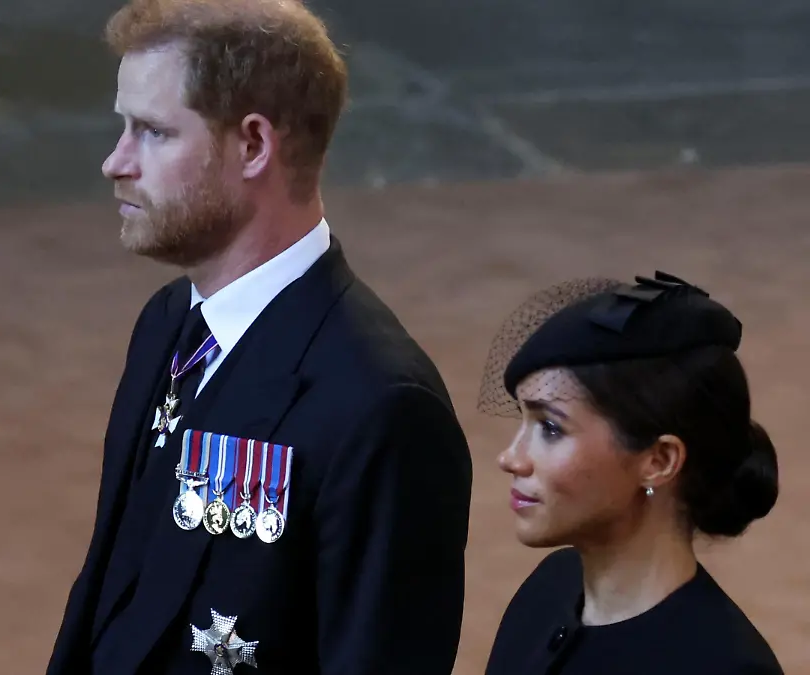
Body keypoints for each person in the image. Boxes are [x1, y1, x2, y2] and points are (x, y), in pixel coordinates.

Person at [45, 0, 473, 673]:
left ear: (253, 145)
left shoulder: (381, 406)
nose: (116, 162)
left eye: (152, 132)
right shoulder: (168, 325)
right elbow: (109, 587)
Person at [476, 272, 785, 675]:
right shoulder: (548, 589)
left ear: (658, 461)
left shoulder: (725, 668)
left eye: (550, 429)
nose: (511, 458)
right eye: (524, 421)